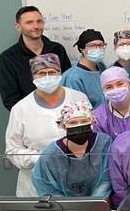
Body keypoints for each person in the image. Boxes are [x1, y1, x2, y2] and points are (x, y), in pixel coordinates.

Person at [5, 53, 90, 197]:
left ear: (60, 73)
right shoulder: (21, 108)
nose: (47, 76)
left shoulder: (78, 98)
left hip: (75, 177)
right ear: (33, 77)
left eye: (52, 72)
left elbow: (91, 133)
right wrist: (42, 158)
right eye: (41, 73)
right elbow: (13, 149)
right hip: (35, 183)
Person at [31, 100, 112, 197]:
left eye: (84, 121)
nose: (79, 126)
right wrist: (67, 206)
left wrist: (94, 204)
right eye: (73, 123)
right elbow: (46, 186)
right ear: (63, 126)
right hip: (63, 208)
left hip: (98, 205)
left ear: (92, 121)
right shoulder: (51, 154)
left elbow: (106, 179)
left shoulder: (103, 143)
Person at [0, 5, 72, 110]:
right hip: (30, 117)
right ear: (18, 26)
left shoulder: (57, 49)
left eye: (39, 21)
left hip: (62, 113)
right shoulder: (8, 58)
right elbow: (10, 98)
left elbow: (67, 81)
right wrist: (34, 115)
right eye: (29, 22)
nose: (36, 26)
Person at [60, 28, 108, 108]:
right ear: (82, 49)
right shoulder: (74, 77)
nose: (98, 48)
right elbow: (77, 107)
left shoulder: (100, 66)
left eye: (101, 45)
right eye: (92, 46)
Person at [93, 67, 130, 138]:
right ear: (103, 91)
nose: (116, 89)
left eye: (120, 84)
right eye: (109, 87)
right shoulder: (98, 117)